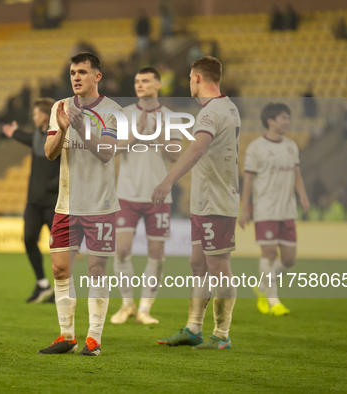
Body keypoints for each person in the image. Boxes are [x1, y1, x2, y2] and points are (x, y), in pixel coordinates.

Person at [152, 56, 241, 350]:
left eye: (191, 78)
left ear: (198, 79)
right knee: (198, 264)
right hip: (205, 201)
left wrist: (168, 181)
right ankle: (193, 328)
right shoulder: (227, 107)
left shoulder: (210, 112)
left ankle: (222, 333)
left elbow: (197, 150)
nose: (189, 83)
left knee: (219, 267)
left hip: (217, 201)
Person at [39, 52, 121, 356]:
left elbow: (106, 152)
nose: (76, 77)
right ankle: (66, 335)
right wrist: (61, 129)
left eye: (83, 72)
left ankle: (94, 338)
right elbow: (49, 153)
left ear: (96, 77)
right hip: (66, 204)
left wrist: (81, 127)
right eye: (73, 72)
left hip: (99, 205)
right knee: (60, 269)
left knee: (97, 270)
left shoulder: (113, 111)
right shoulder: (59, 107)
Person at [110, 67, 181, 325]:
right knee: (122, 250)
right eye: (137, 80)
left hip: (158, 195)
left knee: (156, 252)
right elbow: (114, 149)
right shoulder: (125, 114)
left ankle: (145, 309)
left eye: (146, 80)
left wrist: (157, 135)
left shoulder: (170, 117)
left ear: (158, 84)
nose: (140, 84)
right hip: (127, 192)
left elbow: (175, 155)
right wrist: (135, 134)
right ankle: (127, 304)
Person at [238, 103, 310, 316]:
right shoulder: (256, 148)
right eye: (283, 118)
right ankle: (274, 301)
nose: (287, 122)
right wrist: (245, 208)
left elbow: (296, 174)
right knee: (269, 253)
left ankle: (262, 285)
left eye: (288, 118)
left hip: (287, 210)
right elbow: (248, 179)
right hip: (265, 209)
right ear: (270, 121)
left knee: (289, 259)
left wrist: (302, 194)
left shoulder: (291, 146)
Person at [2, 98, 59, 303]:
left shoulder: (60, 137)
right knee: (28, 239)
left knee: (60, 249)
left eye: (36, 114)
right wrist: (13, 133)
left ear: (44, 116)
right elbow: (29, 138)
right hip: (34, 201)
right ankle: (43, 284)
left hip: (54, 201)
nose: (33, 117)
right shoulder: (37, 135)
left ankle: (62, 289)